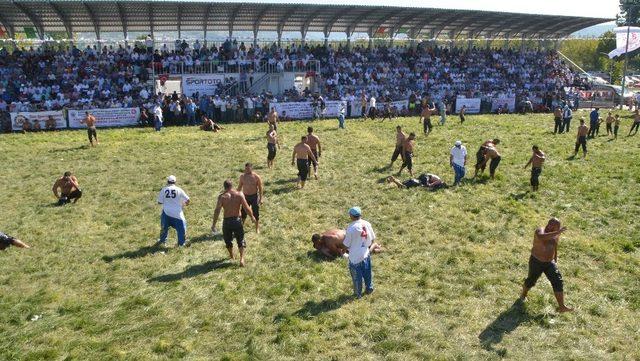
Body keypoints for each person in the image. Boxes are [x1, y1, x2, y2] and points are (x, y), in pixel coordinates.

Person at [520, 218, 573, 313]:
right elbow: (541, 237)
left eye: (554, 227)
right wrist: (558, 232)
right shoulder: (540, 230)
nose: (550, 227)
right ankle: (523, 295)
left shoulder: (556, 234)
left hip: (549, 263)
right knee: (531, 281)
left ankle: (562, 307)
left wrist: (555, 258)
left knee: (558, 281)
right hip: (536, 261)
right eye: (550, 225)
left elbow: (555, 245)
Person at [211, 180, 256, 267]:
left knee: (227, 240)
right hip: (237, 220)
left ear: (224, 187)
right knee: (240, 239)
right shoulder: (239, 194)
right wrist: (252, 217)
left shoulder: (222, 197)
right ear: (232, 186)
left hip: (227, 221)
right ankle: (242, 258)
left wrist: (214, 224)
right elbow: (246, 207)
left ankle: (231, 255)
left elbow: (217, 210)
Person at [343, 207, 376, 299]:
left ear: (352, 216)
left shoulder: (351, 228)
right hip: (366, 254)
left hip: (355, 258)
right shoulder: (367, 224)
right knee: (367, 273)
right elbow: (373, 239)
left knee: (356, 277)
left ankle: (358, 293)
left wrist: (343, 251)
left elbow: (346, 244)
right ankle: (369, 288)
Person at [156, 175, 190, 247]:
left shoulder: (164, 189)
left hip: (166, 212)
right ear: (175, 182)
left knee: (164, 228)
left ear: (167, 181)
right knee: (181, 229)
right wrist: (184, 204)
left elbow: (159, 202)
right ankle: (181, 244)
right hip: (177, 213)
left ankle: (162, 241)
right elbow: (188, 200)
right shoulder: (179, 189)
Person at [312, 229, 382, 259]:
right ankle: (376, 248)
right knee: (372, 251)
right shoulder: (325, 234)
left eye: (317, 243)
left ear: (319, 240)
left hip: (352, 241)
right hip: (349, 234)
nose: (316, 246)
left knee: (364, 254)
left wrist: (323, 251)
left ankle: (374, 246)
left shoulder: (329, 241)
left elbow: (337, 253)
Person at [238, 163, 263, 234]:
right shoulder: (242, 177)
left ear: (251, 168)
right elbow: (239, 187)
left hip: (254, 197)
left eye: (248, 169)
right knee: (243, 212)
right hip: (245, 197)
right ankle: (241, 227)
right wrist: (236, 196)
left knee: (256, 212)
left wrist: (261, 198)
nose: (246, 170)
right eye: (246, 169)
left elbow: (260, 189)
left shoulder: (256, 177)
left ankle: (257, 228)